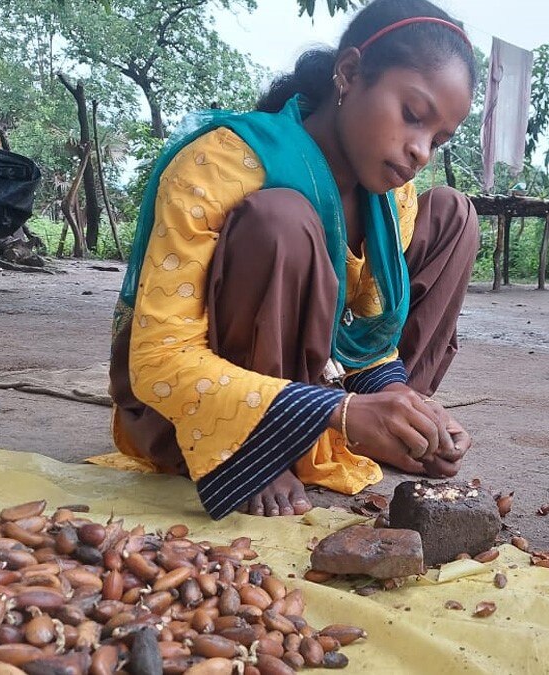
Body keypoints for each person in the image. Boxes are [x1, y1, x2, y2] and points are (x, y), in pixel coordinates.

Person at [108, 0, 480, 520]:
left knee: (456, 214)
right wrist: (339, 408)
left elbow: (364, 333)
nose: (420, 150)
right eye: (412, 116)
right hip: (187, 406)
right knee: (281, 219)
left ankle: (392, 425)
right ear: (349, 74)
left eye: (438, 139)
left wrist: (397, 399)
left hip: (321, 377)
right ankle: (258, 449)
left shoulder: (394, 199)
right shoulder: (221, 165)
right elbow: (158, 364)